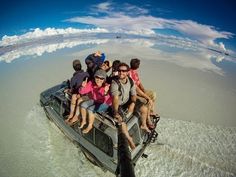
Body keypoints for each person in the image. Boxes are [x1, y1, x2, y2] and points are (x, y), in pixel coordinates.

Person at [110, 62, 151, 133]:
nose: (121, 72)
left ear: (127, 72)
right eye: (119, 70)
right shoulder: (115, 82)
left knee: (144, 109)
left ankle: (143, 125)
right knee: (121, 120)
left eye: (123, 71)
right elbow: (115, 98)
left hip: (127, 100)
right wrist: (116, 112)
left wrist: (133, 103)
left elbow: (133, 94)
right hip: (118, 104)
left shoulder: (130, 81)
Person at [79, 69, 112, 134]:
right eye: (97, 77)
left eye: (101, 78)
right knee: (83, 105)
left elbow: (107, 100)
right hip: (96, 100)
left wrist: (105, 92)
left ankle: (90, 126)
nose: (99, 80)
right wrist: (82, 87)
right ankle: (84, 121)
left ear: (104, 80)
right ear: (94, 77)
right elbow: (82, 92)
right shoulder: (91, 83)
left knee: (90, 109)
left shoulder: (106, 87)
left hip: (105, 103)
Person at [129, 58, 159, 129]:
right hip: (134, 92)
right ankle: (148, 118)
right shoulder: (129, 73)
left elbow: (139, 83)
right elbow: (135, 87)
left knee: (153, 94)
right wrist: (144, 94)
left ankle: (151, 111)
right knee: (146, 100)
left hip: (139, 91)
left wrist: (144, 90)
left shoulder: (135, 72)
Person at [64, 60, 89, 125]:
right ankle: (72, 114)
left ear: (74, 68)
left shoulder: (74, 78)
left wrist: (68, 90)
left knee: (74, 96)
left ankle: (74, 115)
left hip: (82, 94)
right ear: (81, 66)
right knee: (74, 96)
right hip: (86, 93)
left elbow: (72, 90)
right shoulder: (87, 74)